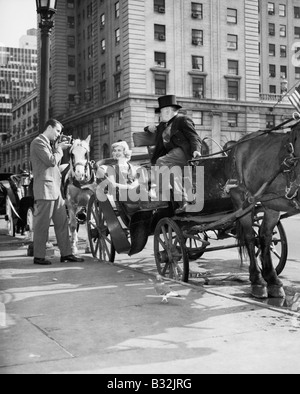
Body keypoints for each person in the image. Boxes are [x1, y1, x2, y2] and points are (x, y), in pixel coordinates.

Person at [30, 119, 84, 265]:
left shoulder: (48, 143)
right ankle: (39, 256)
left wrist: (57, 147)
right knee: (42, 224)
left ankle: (66, 254)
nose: (59, 134)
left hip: (55, 189)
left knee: (62, 223)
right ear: (49, 127)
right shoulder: (38, 142)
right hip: (45, 190)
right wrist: (59, 148)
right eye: (58, 131)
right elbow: (51, 161)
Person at [146, 95, 202, 214]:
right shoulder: (163, 125)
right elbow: (154, 128)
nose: (160, 115)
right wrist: (148, 128)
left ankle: (161, 197)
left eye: (160, 112)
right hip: (173, 156)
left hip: (183, 152)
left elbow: (194, 136)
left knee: (161, 162)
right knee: (173, 173)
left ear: (168, 111)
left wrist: (196, 150)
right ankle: (184, 202)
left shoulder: (182, 120)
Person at [96, 141, 167, 212]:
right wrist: (129, 187)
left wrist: (136, 183)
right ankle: (146, 204)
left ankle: (161, 201)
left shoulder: (133, 167)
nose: (116, 153)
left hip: (136, 190)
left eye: (119, 150)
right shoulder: (111, 168)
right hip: (123, 194)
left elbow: (139, 179)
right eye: (115, 151)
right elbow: (113, 185)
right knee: (142, 187)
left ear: (125, 152)